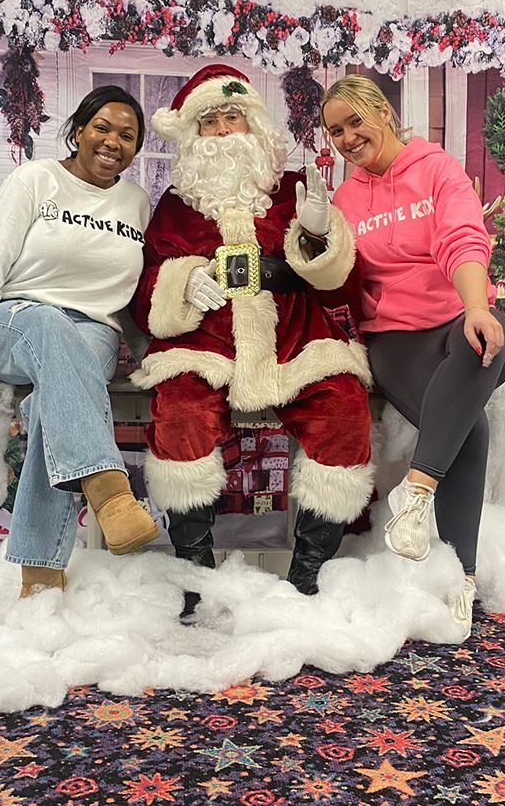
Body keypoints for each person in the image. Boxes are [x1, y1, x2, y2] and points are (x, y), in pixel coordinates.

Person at [132, 64, 374, 621]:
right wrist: (179, 281)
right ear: (193, 134)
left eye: (232, 117)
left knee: (343, 407)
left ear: (254, 124)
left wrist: (319, 235)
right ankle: (195, 574)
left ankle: (307, 577)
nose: (222, 130)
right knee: (180, 413)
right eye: (209, 121)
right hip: (205, 346)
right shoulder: (175, 206)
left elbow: (343, 285)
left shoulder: (293, 190)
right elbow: (145, 293)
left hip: (295, 342)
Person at [322, 74, 505, 636]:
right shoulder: (344, 199)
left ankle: (418, 491)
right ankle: (463, 579)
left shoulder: (436, 169)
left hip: (456, 316)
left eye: (355, 122)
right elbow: (337, 278)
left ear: (384, 113)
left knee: (494, 339)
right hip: (394, 338)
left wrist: (476, 307)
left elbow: (462, 237)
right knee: (469, 427)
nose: (347, 138)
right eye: (335, 131)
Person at [0, 86, 158, 598]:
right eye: (102, 127)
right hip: (17, 322)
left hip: (93, 332)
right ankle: (110, 491)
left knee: (53, 400)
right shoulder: (35, 180)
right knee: (48, 323)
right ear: (78, 130)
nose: (113, 142)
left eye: (127, 135)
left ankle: (39, 577)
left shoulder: (136, 202)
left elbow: (131, 294)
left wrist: (154, 356)